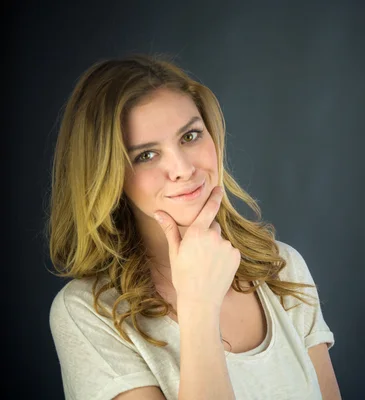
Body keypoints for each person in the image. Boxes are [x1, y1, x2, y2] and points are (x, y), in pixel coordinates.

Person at [47, 54, 341, 400]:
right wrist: (199, 305)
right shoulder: (88, 313)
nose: (183, 168)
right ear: (108, 175)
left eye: (189, 136)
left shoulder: (281, 268)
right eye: (145, 155)